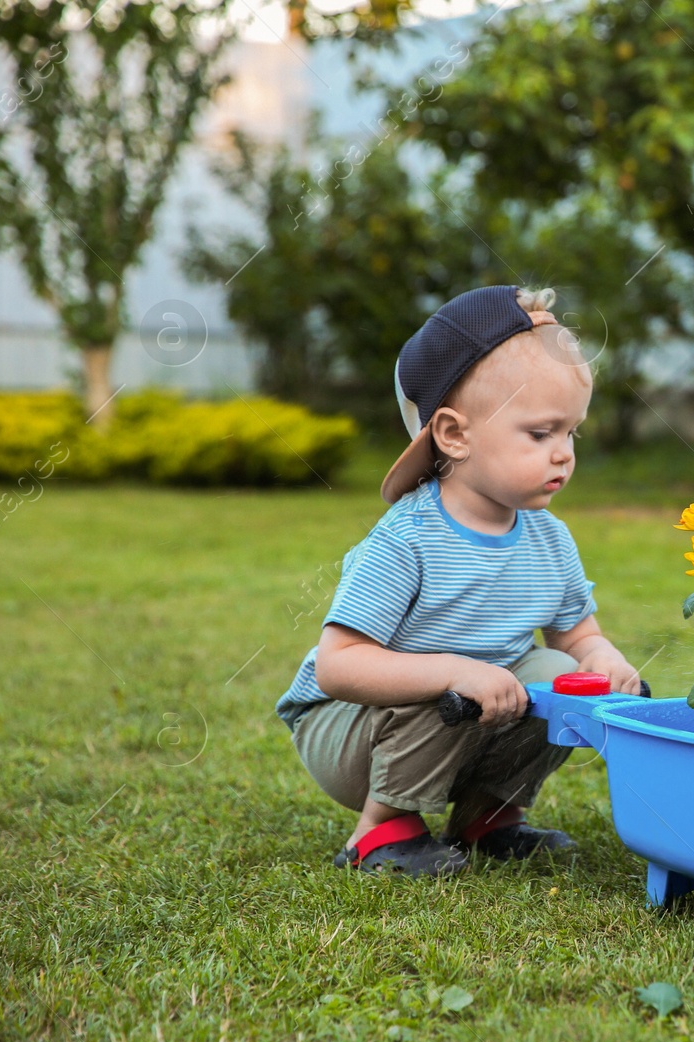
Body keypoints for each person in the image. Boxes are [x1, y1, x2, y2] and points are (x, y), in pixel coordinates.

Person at [274, 285, 642, 877]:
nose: (564, 455)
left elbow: (578, 635)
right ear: (454, 435)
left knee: (563, 677)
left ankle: (487, 817)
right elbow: (338, 664)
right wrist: (452, 670)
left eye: (572, 433)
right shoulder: (408, 539)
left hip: (465, 719)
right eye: (541, 433)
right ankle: (379, 831)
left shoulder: (550, 538)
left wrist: (605, 662)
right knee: (452, 681)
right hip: (350, 732)